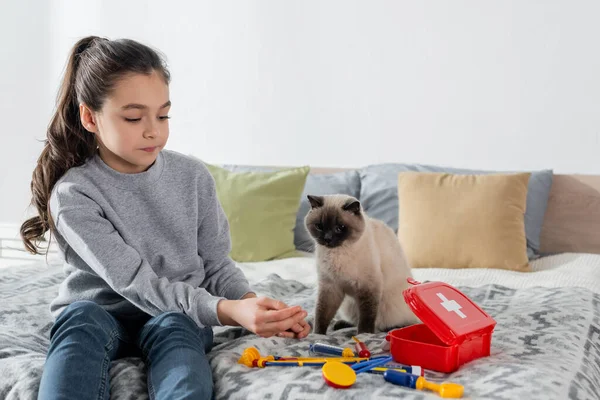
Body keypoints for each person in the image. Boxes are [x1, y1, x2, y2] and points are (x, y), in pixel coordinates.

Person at [20, 36, 310, 400]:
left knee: (179, 335)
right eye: (133, 117)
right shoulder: (74, 194)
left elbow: (216, 264)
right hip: (97, 312)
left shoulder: (193, 177)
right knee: (79, 323)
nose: (153, 130)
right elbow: (135, 283)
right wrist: (229, 311)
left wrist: (254, 305)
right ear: (90, 117)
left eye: (163, 114)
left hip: (178, 313)